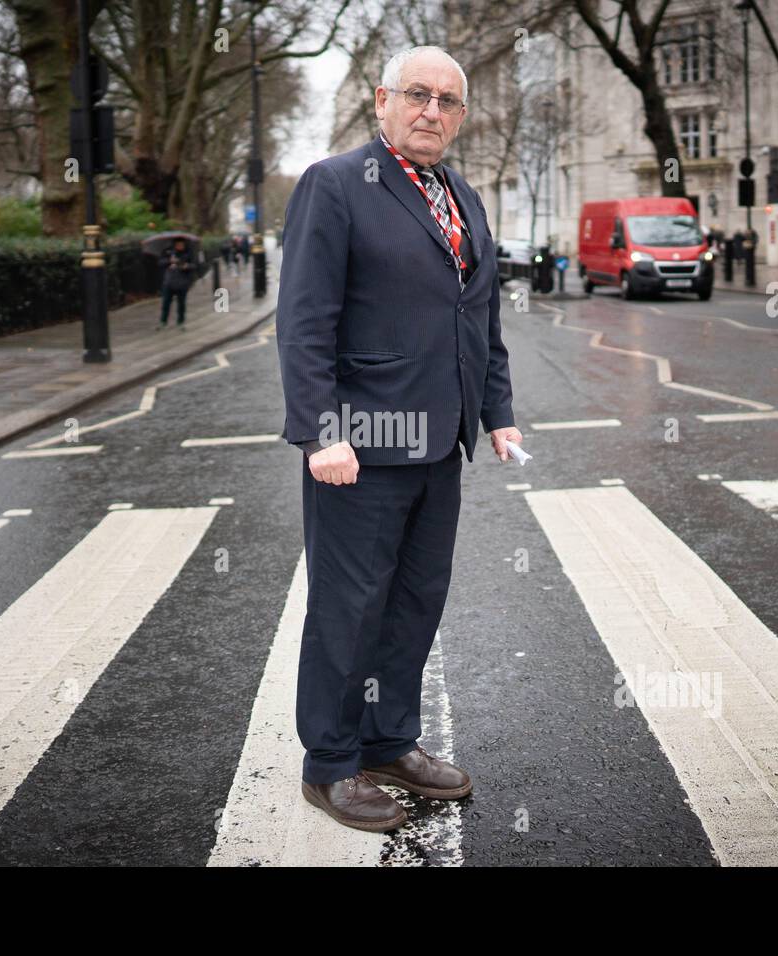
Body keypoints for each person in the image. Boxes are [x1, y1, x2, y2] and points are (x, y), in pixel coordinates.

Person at [275, 44, 522, 833]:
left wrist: (497, 413)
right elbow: (304, 321)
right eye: (418, 95)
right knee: (349, 606)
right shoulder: (336, 184)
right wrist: (322, 432)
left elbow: (477, 315)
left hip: (438, 444)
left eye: (448, 101)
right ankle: (331, 764)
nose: (432, 112)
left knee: (415, 601)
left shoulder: (462, 195)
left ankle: (388, 739)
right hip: (360, 446)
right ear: (381, 102)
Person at [158, 237, 196, 330]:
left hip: (182, 282)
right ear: (175, 245)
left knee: (181, 304)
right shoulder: (168, 252)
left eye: (182, 245)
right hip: (169, 282)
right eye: (178, 245)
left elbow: (194, 265)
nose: (180, 246)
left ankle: (180, 322)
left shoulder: (188, 253)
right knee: (166, 302)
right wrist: (169, 261)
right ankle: (163, 322)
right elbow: (160, 262)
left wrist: (186, 266)